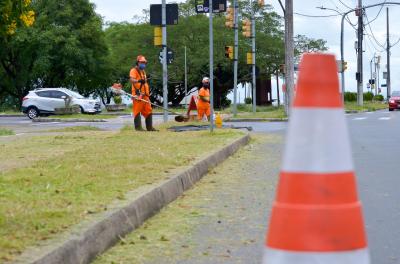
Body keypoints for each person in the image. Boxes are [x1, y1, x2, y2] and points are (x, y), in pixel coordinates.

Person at [129, 55, 157, 131]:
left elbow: (144, 83)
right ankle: (138, 128)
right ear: (137, 63)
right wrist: (138, 81)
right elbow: (131, 80)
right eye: (142, 62)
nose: (143, 64)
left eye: (144, 63)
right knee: (137, 110)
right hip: (138, 95)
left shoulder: (143, 71)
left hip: (145, 95)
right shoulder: (133, 70)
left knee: (149, 110)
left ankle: (150, 127)